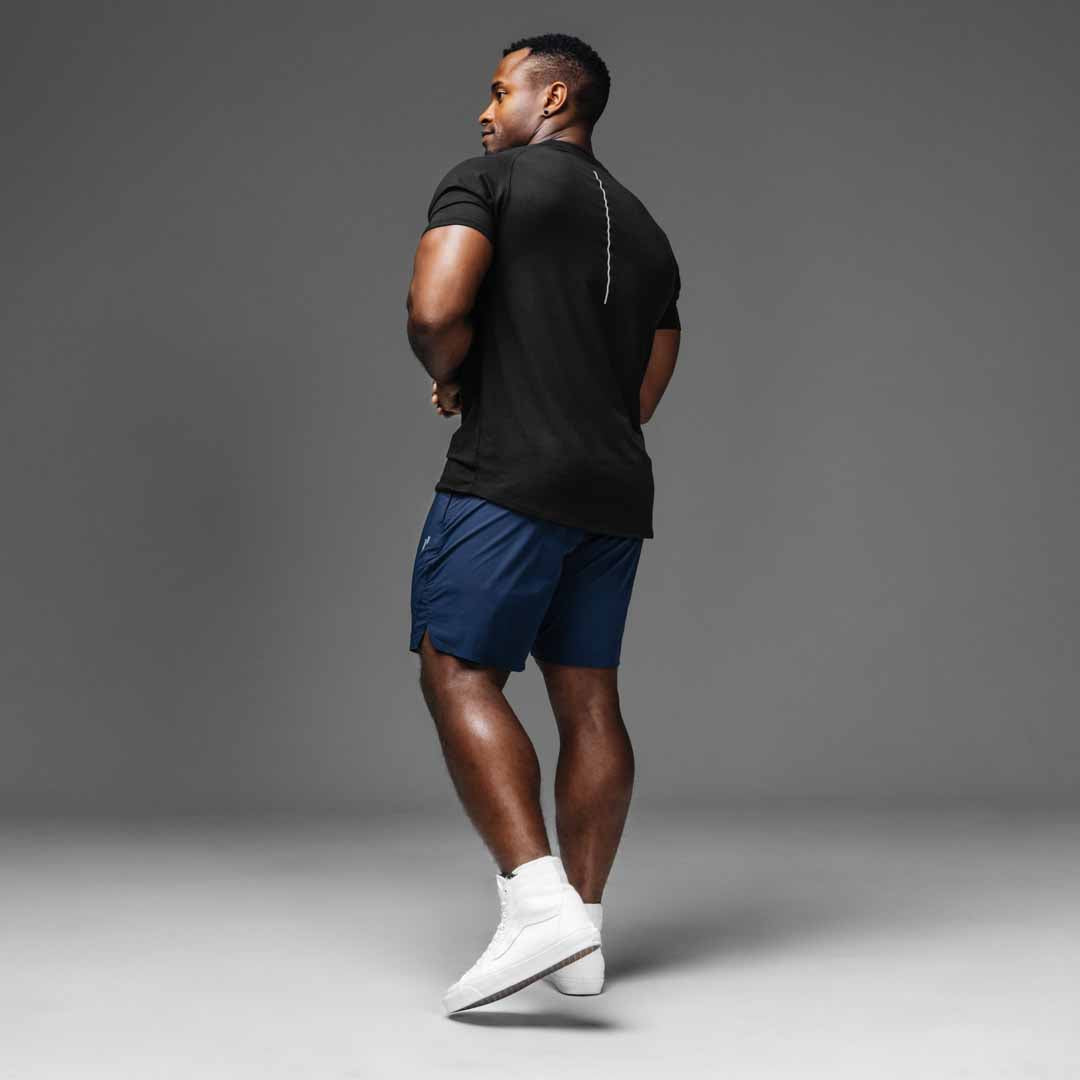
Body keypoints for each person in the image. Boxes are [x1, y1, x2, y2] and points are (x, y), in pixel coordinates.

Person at [405, 32, 682, 1014]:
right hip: (612, 488)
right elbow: (642, 392)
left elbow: (435, 310)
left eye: (498, 92)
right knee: (589, 698)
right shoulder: (648, 231)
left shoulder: (488, 181)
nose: (484, 113)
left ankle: (535, 900)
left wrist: (455, 374)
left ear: (553, 97)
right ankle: (583, 937)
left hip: (510, 476)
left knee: (456, 671)